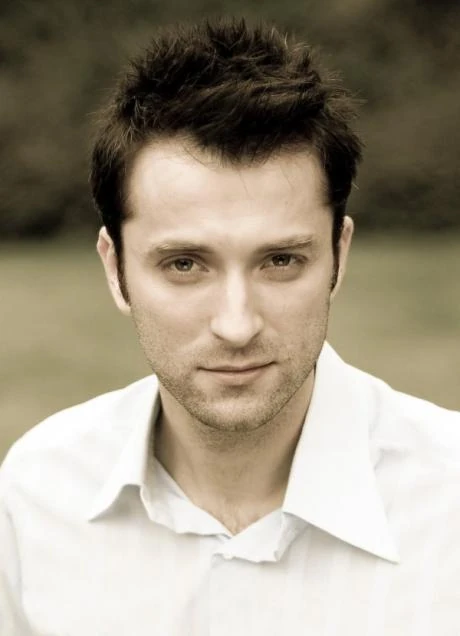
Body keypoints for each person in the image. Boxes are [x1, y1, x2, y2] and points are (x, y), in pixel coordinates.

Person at [1, 17, 459, 636]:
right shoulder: (37, 494)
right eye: (184, 264)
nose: (237, 325)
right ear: (115, 268)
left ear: (339, 256)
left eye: (281, 261)